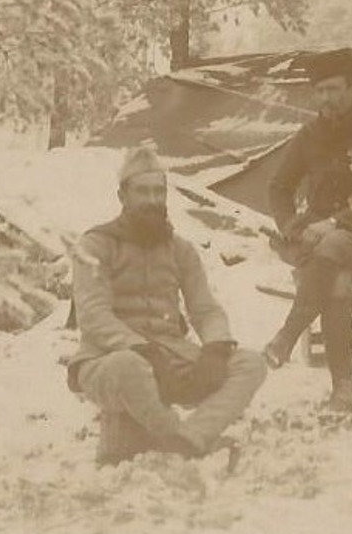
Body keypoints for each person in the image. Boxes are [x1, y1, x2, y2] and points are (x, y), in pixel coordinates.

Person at [68, 147, 267, 466]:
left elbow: (206, 309)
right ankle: (173, 435)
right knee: (128, 366)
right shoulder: (94, 245)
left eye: (159, 191)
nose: (152, 200)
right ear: (123, 195)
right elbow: (94, 317)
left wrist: (215, 347)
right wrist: (141, 349)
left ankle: (190, 439)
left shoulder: (180, 250)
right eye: (142, 191)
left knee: (251, 363)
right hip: (106, 361)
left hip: (171, 358)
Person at [263, 48, 352, 413]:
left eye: (335, 89)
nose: (327, 98)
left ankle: (286, 336)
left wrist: (334, 223)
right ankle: (343, 389)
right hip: (322, 240)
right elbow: (279, 188)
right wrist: (291, 227)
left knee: (334, 245)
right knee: (335, 278)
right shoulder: (309, 136)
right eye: (320, 90)